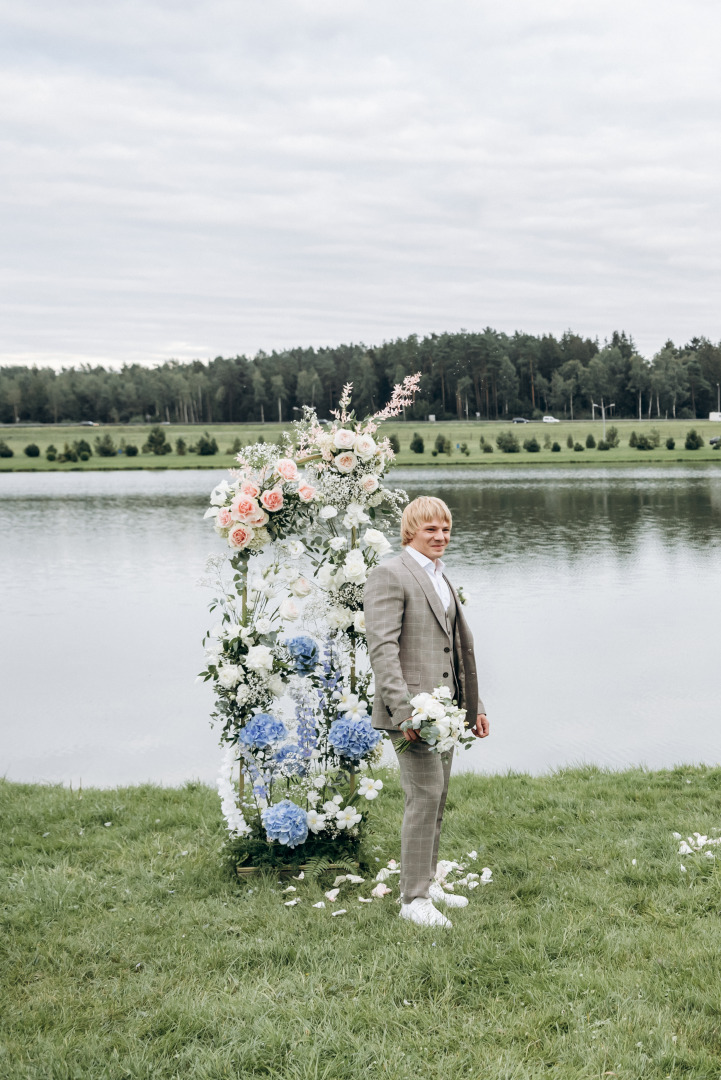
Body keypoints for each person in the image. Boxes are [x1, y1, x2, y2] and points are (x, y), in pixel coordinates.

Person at [363, 495, 489, 929]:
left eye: (446, 529)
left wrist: (475, 707)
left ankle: (428, 882)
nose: (441, 536)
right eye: (431, 529)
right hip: (411, 717)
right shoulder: (389, 574)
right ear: (410, 531)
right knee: (424, 796)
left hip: (446, 714)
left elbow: (453, 649)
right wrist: (404, 714)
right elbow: (382, 649)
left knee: (438, 796)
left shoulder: (440, 576)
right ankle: (412, 899)